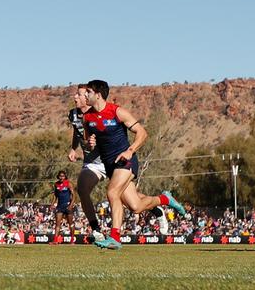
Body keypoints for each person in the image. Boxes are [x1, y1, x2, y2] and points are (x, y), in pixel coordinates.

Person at [81, 79, 187, 250]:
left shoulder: (118, 112)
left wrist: (130, 150)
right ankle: (165, 199)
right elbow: (87, 143)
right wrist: (89, 143)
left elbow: (142, 133)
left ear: (98, 95)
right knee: (136, 207)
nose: (85, 95)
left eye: (88, 92)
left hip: (126, 161)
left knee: (112, 192)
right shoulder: (87, 117)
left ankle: (115, 237)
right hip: (110, 166)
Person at [67, 84, 108, 242]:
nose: (75, 97)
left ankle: (159, 205)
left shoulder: (97, 114)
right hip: (92, 163)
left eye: (79, 94)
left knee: (133, 203)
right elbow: (77, 133)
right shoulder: (73, 114)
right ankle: (96, 230)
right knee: (82, 190)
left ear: (87, 98)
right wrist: (73, 148)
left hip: (108, 159)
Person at [52, 171, 74, 243]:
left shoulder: (68, 183)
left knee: (70, 223)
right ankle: (55, 240)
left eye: (63, 176)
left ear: (65, 177)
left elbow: (74, 195)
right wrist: (52, 203)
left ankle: (72, 240)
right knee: (58, 223)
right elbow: (55, 195)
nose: (61, 177)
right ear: (58, 176)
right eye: (60, 176)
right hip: (59, 206)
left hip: (67, 205)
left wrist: (71, 205)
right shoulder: (56, 184)